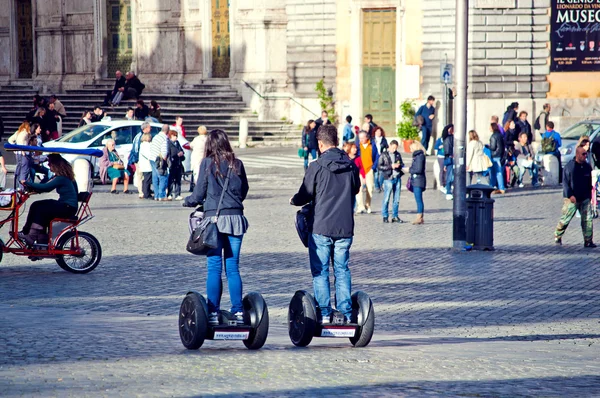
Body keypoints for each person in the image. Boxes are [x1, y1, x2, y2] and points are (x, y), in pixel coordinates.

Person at [290, 124, 360, 324]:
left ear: (320, 144)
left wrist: (294, 200)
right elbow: (355, 189)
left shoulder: (317, 166)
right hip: (345, 227)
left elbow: (305, 193)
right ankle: (346, 313)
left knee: (320, 271)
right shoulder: (350, 165)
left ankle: (324, 313)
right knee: (342, 269)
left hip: (321, 227)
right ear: (336, 141)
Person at [184, 129, 250, 326]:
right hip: (236, 219)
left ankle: (212, 312)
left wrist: (187, 201)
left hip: (214, 220)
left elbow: (198, 194)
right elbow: (244, 189)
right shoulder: (237, 163)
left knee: (214, 267)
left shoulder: (207, 163)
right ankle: (238, 312)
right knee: (232, 267)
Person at [19, 154, 78, 246]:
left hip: (67, 207)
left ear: (55, 165)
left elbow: (46, 187)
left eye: (50, 164)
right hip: (68, 206)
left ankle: (30, 235)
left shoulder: (61, 178)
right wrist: (34, 189)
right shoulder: (66, 177)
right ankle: (38, 242)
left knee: (40, 208)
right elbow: (45, 186)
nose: (49, 166)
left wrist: (27, 183)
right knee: (37, 205)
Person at [555, 146, 595, 248]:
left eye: (586, 154)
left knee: (587, 220)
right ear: (577, 154)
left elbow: (589, 182)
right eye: (583, 154)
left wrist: (590, 196)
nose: (585, 156)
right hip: (572, 198)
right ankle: (558, 235)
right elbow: (565, 183)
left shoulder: (587, 167)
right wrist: (570, 195)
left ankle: (588, 240)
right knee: (565, 220)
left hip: (584, 197)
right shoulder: (570, 167)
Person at [378, 140, 404, 223]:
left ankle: (395, 216)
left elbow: (402, 163)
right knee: (386, 198)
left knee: (396, 199)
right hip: (388, 178)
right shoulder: (384, 155)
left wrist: (399, 165)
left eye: (396, 148)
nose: (394, 150)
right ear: (390, 146)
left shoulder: (397, 154)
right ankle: (385, 216)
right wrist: (390, 166)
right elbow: (379, 166)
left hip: (397, 177)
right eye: (393, 148)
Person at [356, 130, 379, 214]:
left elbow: (377, 156)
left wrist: (373, 167)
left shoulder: (372, 145)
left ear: (367, 137)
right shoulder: (358, 146)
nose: (361, 140)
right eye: (359, 138)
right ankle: (360, 206)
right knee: (359, 188)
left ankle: (367, 204)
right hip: (360, 170)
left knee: (370, 189)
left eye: (362, 138)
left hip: (369, 169)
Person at [129, 122, 151, 199]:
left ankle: (145, 190)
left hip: (141, 159)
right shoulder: (140, 137)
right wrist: (137, 160)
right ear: (145, 129)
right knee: (140, 176)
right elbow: (136, 149)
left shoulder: (141, 135)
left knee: (144, 176)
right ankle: (141, 192)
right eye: (149, 127)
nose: (150, 129)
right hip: (139, 160)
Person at [149, 124, 169, 201]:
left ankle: (156, 195)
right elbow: (164, 152)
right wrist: (165, 161)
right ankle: (162, 195)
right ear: (167, 131)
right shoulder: (164, 138)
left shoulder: (156, 137)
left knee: (155, 178)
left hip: (152, 158)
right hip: (159, 160)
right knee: (163, 176)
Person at [9, 122, 32, 189]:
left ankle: (17, 186)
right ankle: (21, 187)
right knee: (24, 170)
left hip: (18, 153)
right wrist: (22, 151)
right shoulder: (24, 133)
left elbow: (10, 139)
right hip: (23, 153)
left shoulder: (18, 132)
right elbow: (21, 142)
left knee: (19, 170)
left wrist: (15, 148)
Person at [409, 141, 427, 225]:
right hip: (417, 180)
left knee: (419, 199)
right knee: (418, 199)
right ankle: (419, 217)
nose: (410, 150)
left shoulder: (419, 157)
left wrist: (409, 170)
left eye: (411, 148)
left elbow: (418, 169)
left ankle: (419, 217)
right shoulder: (418, 156)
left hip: (418, 180)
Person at [167, 130, 185, 201]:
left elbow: (182, 150)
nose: (176, 137)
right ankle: (169, 194)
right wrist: (176, 155)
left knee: (178, 180)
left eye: (176, 136)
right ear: (171, 136)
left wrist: (181, 153)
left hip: (178, 163)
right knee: (171, 180)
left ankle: (178, 194)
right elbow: (169, 153)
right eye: (175, 136)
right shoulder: (168, 143)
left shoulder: (177, 143)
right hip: (172, 163)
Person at [489, 122, 506, 194]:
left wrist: (487, 146)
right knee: (498, 172)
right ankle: (498, 187)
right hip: (500, 155)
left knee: (495, 173)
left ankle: (497, 187)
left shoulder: (493, 136)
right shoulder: (500, 135)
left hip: (494, 155)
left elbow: (493, 147)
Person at [190, 126, 208, 191]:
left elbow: (191, 145)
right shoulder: (208, 139)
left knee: (197, 175)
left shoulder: (197, 139)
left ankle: (198, 188)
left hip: (197, 158)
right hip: (205, 158)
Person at [372, 126, 389, 192]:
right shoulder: (372, 139)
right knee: (376, 173)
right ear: (375, 132)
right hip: (375, 158)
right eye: (377, 131)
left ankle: (380, 184)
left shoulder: (384, 140)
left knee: (382, 173)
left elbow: (386, 147)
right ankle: (377, 186)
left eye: (380, 131)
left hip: (382, 157)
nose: (379, 133)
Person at [138, 131, 153, 199]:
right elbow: (148, 154)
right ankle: (146, 194)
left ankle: (147, 192)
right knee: (147, 180)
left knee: (146, 180)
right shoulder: (145, 145)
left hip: (145, 165)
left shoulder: (143, 144)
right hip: (147, 165)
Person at [442, 124, 454, 200]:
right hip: (449, 157)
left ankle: (449, 189)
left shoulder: (454, 137)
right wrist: (451, 125)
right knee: (450, 176)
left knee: (453, 176)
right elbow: (444, 131)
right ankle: (448, 191)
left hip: (452, 157)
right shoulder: (446, 137)